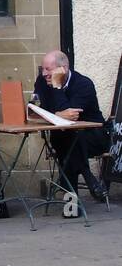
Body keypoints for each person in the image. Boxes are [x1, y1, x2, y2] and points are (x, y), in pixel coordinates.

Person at [32, 50, 108, 204]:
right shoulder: (41, 82)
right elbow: (36, 110)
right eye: (42, 69)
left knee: (70, 144)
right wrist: (58, 114)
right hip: (63, 138)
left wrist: (57, 87)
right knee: (68, 141)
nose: (44, 73)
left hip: (93, 136)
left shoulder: (83, 84)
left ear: (64, 68)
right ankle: (88, 176)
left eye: (49, 69)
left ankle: (71, 204)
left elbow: (70, 118)